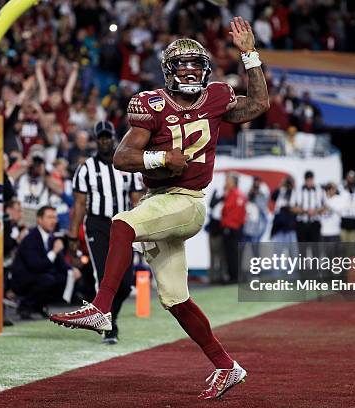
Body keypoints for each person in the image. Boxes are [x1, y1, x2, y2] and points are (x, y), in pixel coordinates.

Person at [51, 17, 269, 399]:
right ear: (168, 71)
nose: (189, 71)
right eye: (182, 65)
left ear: (205, 70)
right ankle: (226, 366)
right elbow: (122, 156)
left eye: (196, 65)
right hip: (160, 200)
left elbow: (259, 103)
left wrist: (249, 54)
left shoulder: (216, 96)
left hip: (187, 202)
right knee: (175, 299)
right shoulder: (151, 103)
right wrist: (160, 159)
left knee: (122, 223)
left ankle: (102, 307)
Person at [67, 120, 144, 344]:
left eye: (107, 137)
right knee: (103, 277)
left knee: (126, 282)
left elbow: (137, 201)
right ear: (95, 140)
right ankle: (108, 326)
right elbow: (79, 205)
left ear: (114, 138)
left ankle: (112, 317)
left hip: (123, 224)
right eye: (100, 138)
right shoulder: (85, 169)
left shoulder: (126, 165)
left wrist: (142, 230)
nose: (104, 141)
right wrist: (73, 235)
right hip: (97, 225)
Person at [10, 206, 81, 319]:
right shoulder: (31, 238)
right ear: (39, 219)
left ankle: (39, 305)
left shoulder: (53, 237)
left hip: (41, 275)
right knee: (48, 280)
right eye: (49, 217)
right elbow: (36, 266)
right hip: (23, 279)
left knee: (64, 277)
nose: (53, 221)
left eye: (55, 217)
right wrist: (54, 251)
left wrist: (71, 270)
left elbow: (60, 263)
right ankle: (25, 306)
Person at [221, 173, 247, 283]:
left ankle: (234, 277)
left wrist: (227, 224)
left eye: (227, 180)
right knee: (234, 253)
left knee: (231, 253)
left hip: (231, 228)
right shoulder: (239, 194)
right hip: (236, 227)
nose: (226, 183)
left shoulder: (234, 194)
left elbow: (227, 211)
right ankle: (236, 276)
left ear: (233, 182)